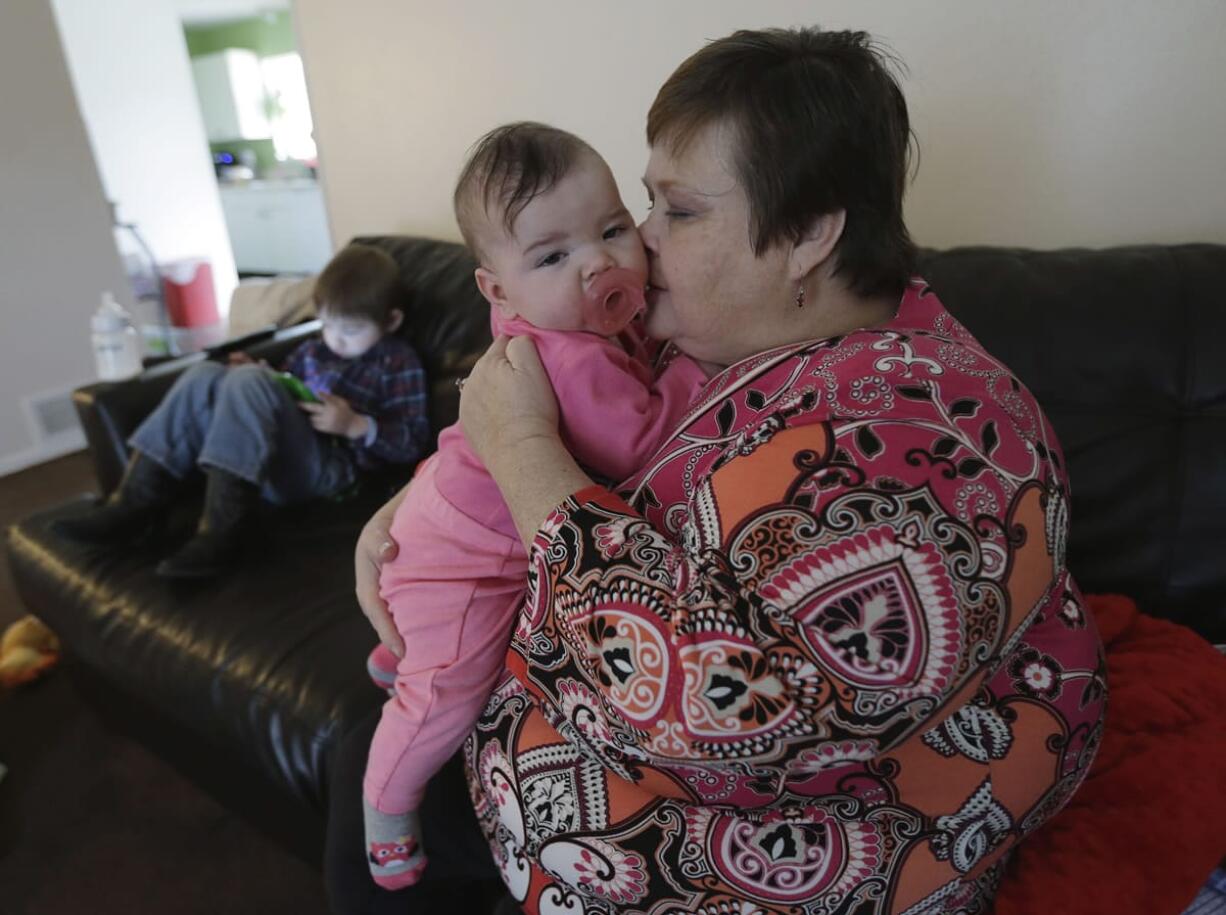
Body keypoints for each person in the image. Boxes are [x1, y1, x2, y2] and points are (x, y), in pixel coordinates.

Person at [342, 27, 1107, 915]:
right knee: (359, 753)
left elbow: (724, 708)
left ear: (809, 234)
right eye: (645, 207)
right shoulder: (733, 332)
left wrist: (519, 456)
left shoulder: (924, 426)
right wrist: (418, 502)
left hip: (750, 861)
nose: (640, 244)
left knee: (371, 786)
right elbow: (554, 405)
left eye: (679, 210)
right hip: (539, 746)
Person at [361, 122, 708, 891]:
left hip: (447, 517)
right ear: (497, 289)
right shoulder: (572, 350)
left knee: (427, 649)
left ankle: (396, 654)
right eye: (554, 256)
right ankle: (385, 809)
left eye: (614, 229)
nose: (599, 262)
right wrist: (691, 369)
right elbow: (638, 441)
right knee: (445, 695)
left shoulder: (560, 315)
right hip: (463, 560)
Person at [57, 244, 430, 579]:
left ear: (391, 321)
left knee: (249, 380)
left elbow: (414, 441)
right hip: (277, 457)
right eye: (327, 325)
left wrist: (357, 425)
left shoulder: (398, 362)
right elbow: (287, 390)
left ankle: (223, 530)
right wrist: (265, 377)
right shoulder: (314, 351)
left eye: (349, 330)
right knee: (207, 373)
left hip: (331, 472)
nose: (335, 338)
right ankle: (133, 503)